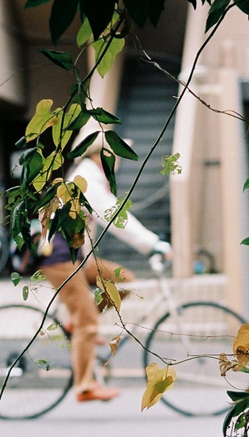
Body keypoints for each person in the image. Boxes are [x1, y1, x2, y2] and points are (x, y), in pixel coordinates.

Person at [34, 132, 171, 402]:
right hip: (60, 259)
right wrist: (153, 244)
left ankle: (79, 321)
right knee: (88, 324)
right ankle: (84, 385)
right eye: (116, 155)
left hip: (77, 257)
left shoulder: (94, 175)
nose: (118, 161)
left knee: (123, 279)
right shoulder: (87, 177)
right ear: (104, 155)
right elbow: (115, 216)